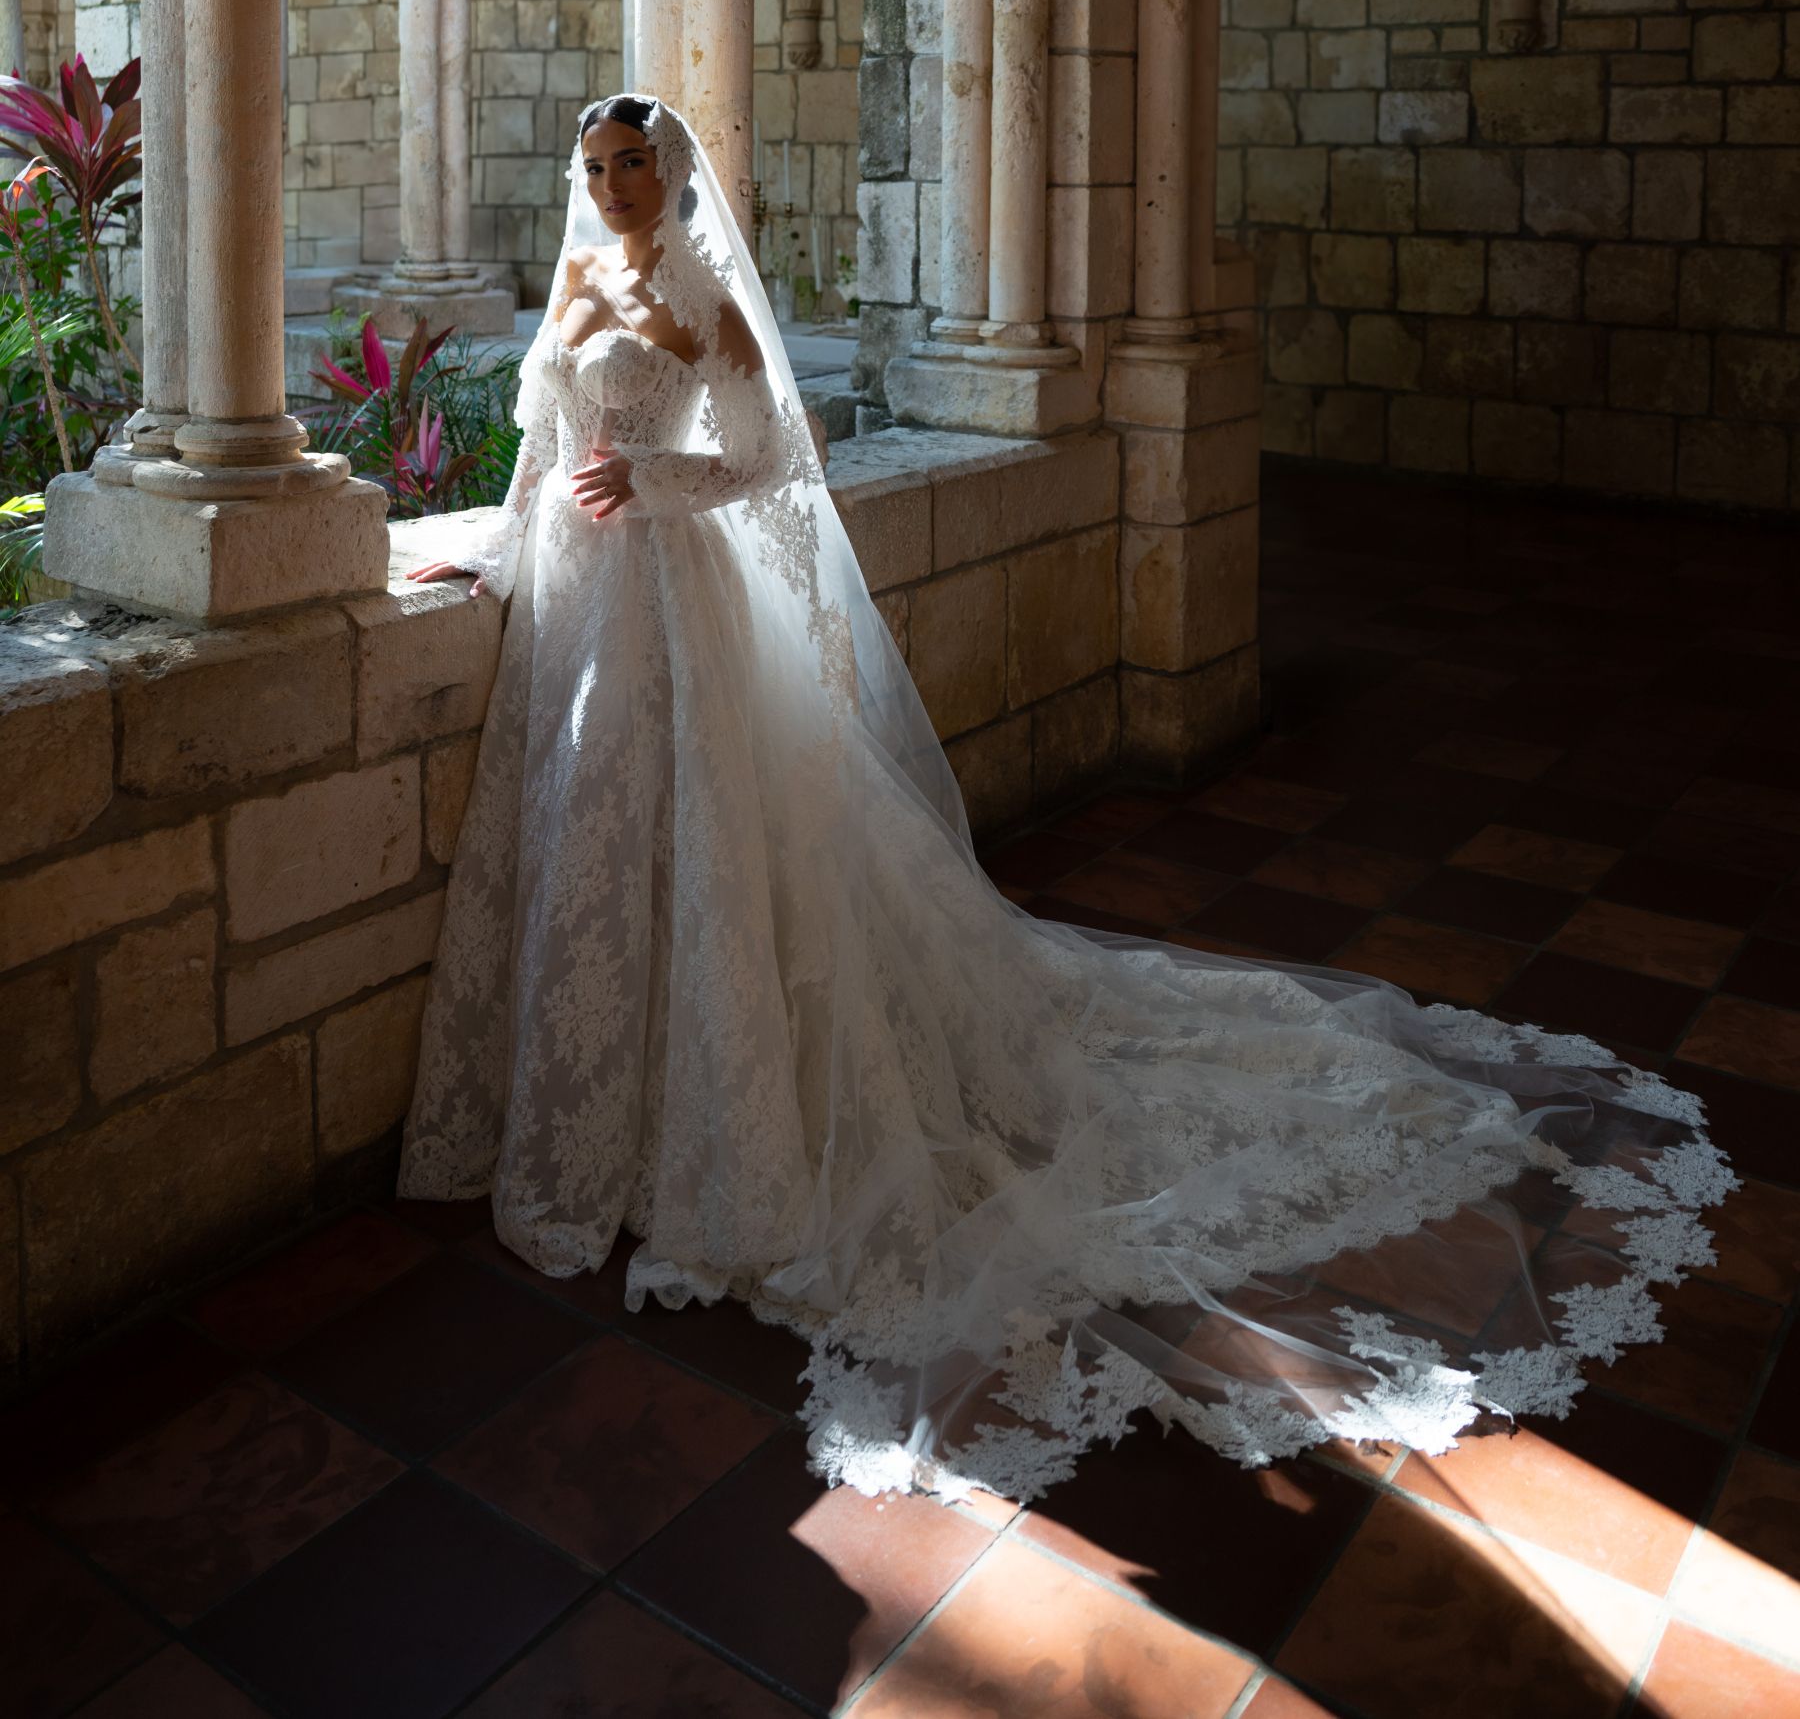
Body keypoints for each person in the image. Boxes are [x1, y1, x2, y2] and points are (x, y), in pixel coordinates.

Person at [399, 93, 1733, 1502]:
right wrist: (492, 554)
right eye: (598, 167)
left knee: (714, 860)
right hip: (580, 606)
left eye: (636, 167)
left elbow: (770, 461)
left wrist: (653, 478)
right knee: (598, 853)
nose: (614, 188)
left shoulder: (708, 298)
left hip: (673, 600)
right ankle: (603, 1126)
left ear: (674, 180)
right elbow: (547, 442)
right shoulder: (574, 275)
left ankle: (721, 1142)